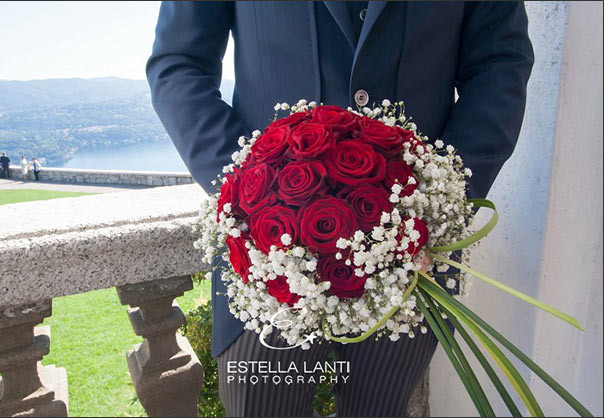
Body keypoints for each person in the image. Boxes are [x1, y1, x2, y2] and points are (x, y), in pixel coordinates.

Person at [147, 2, 534, 416]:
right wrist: (247, 192)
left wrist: (441, 199)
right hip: (267, 256)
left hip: (412, 260)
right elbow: (179, 64)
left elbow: (499, 65)